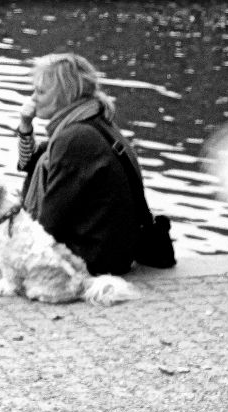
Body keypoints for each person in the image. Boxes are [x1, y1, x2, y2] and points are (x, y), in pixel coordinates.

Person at [14, 52, 147, 275]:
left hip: (94, 258)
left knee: (1, 244)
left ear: (64, 95)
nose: (33, 98)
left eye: (41, 91)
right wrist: (25, 126)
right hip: (114, 250)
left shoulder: (74, 139)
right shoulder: (89, 120)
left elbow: (50, 223)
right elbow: (30, 164)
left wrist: (17, 244)